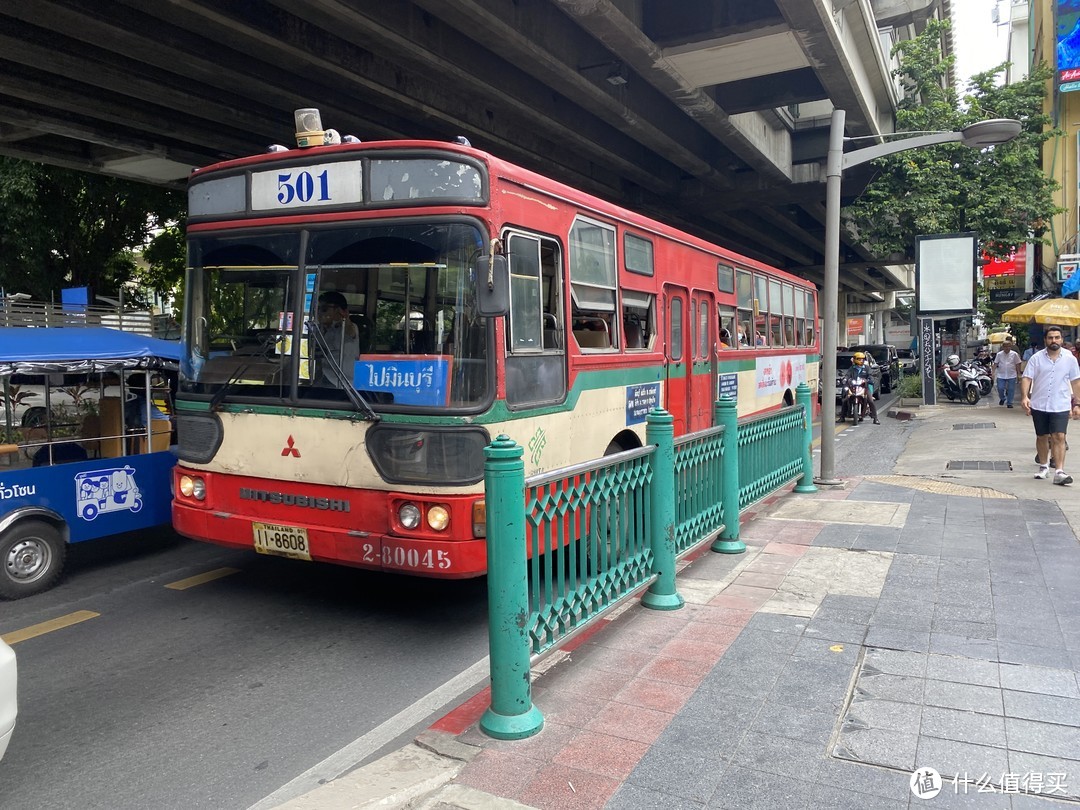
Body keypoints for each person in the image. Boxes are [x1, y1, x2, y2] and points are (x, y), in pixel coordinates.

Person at [1020, 325, 1080, 485]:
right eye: (1050, 338)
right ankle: (1044, 466)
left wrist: (1077, 403)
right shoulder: (1036, 358)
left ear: (1062, 339)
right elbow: (1027, 377)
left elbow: (1076, 381)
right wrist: (1025, 397)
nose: (1054, 340)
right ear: (1045, 340)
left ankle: (1059, 471)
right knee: (1042, 436)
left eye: (1057, 337)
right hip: (1039, 404)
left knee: (1059, 436)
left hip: (1060, 404)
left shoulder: (1070, 359)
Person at [315, 290, 360, 387]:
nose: (319, 312)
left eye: (324, 309)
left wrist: (345, 317)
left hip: (344, 383)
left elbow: (350, 330)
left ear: (339, 311)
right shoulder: (317, 330)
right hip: (321, 378)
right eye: (318, 309)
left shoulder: (347, 328)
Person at [840, 351, 879, 424]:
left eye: (862, 359)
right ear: (855, 359)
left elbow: (870, 375)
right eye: (859, 359)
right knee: (845, 400)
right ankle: (842, 417)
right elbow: (848, 375)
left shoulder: (867, 368)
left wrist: (870, 380)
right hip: (853, 387)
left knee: (870, 400)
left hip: (864, 388)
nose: (861, 360)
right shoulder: (852, 368)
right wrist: (845, 379)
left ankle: (875, 418)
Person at [992, 340, 1022, 408]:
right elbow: (995, 363)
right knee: (1000, 388)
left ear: (1010, 347)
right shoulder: (999, 354)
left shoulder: (1014, 354)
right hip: (1001, 374)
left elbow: (1017, 364)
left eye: (1008, 346)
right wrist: (993, 372)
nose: (1007, 348)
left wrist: (1019, 374)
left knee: (1011, 389)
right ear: (1003, 347)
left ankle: (1009, 403)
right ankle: (1003, 398)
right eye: (1005, 346)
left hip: (1012, 374)